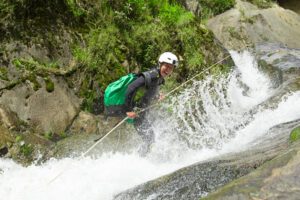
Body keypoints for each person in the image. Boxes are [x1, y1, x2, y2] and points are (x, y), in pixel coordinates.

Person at [105, 52, 179, 155]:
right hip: (136, 113)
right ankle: (140, 160)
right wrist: (128, 110)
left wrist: (157, 96)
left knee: (153, 135)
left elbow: (147, 92)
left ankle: (141, 158)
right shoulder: (151, 75)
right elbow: (131, 88)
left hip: (142, 113)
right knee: (150, 138)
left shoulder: (158, 77)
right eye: (166, 66)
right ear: (160, 64)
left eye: (171, 68)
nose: (168, 70)